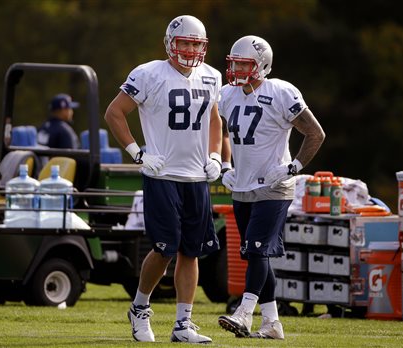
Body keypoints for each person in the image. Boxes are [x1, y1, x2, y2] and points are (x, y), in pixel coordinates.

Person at [104, 15, 222, 344]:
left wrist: (215, 156)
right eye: (183, 42)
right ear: (170, 43)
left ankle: (183, 324)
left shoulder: (212, 76)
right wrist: (137, 153)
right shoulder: (149, 73)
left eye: (195, 43)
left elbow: (215, 119)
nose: (189, 49)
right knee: (164, 248)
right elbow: (114, 112)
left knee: (192, 251)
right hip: (162, 173)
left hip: (196, 177)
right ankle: (140, 308)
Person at [217, 35, 326, 339]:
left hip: (273, 185)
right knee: (256, 255)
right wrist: (224, 164)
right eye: (234, 62)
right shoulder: (227, 95)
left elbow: (315, 133)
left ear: (262, 65)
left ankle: (244, 314)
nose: (237, 69)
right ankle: (272, 323)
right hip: (242, 185)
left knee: (256, 250)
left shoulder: (280, 92)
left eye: (244, 63)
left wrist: (293, 167)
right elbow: (221, 132)